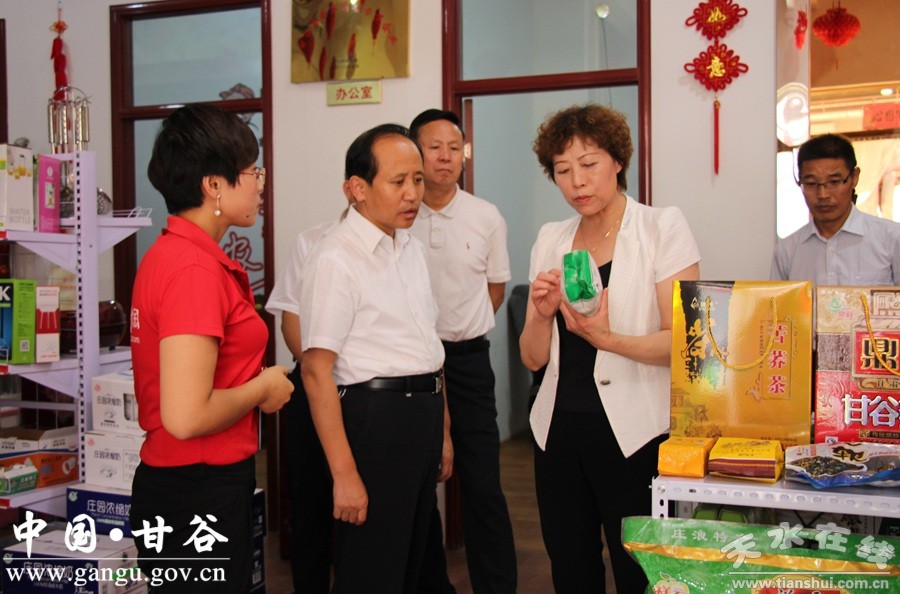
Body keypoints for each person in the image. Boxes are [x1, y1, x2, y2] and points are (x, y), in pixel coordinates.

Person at [519, 104, 701, 593]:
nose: (577, 181)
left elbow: (683, 341)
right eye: (562, 170)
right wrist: (541, 315)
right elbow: (533, 358)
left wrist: (607, 339)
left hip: (636, 431)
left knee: (641, 571)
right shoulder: (550, 238)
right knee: (571, 567)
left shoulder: (661, 227)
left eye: (589, 164)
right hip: (557, 430)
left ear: (618, 161)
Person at [129, 103, 294, 593]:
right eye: (253, 171)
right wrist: (263, 386)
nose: (261, 183)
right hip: (196, 490)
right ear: (214, 185)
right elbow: (186, 416)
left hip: (192, 484)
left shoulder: (178, 254)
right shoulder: (193, 270)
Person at [299, 123, 452, 594]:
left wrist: (444, 433)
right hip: (375, 419)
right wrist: (344, 475)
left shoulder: (411, 248)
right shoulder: (335, 258)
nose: (412, 194)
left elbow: (428, 348)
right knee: (372, 569)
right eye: (398, 181)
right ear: (357, 188)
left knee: (415, 564)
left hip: (423, 413)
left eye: (418, 180)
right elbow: (315, 371)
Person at [408, 108, 517, 594]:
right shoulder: (398, 214)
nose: (445, 157)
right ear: (416, 153)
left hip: (468, 362)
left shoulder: (485, 215)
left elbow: (496, 289)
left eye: (454, 148)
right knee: (416, 484)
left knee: (482, 484)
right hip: (411, 363)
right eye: (434, 147)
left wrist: (461, 330)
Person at [264, 181, 354, 594]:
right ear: (354, 187)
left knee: (362, 504)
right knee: (310, 500)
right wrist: (321, 372)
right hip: (313, 383)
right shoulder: (312, 241)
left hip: (364, 394)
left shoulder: (402, 246)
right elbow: (291, 320)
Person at [771, 133, 900, 285]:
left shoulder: (892, 239)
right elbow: (777, 301)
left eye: (834, 182)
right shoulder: (787, 251)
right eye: (811, 184)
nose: (823, 194)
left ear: (854, 177)